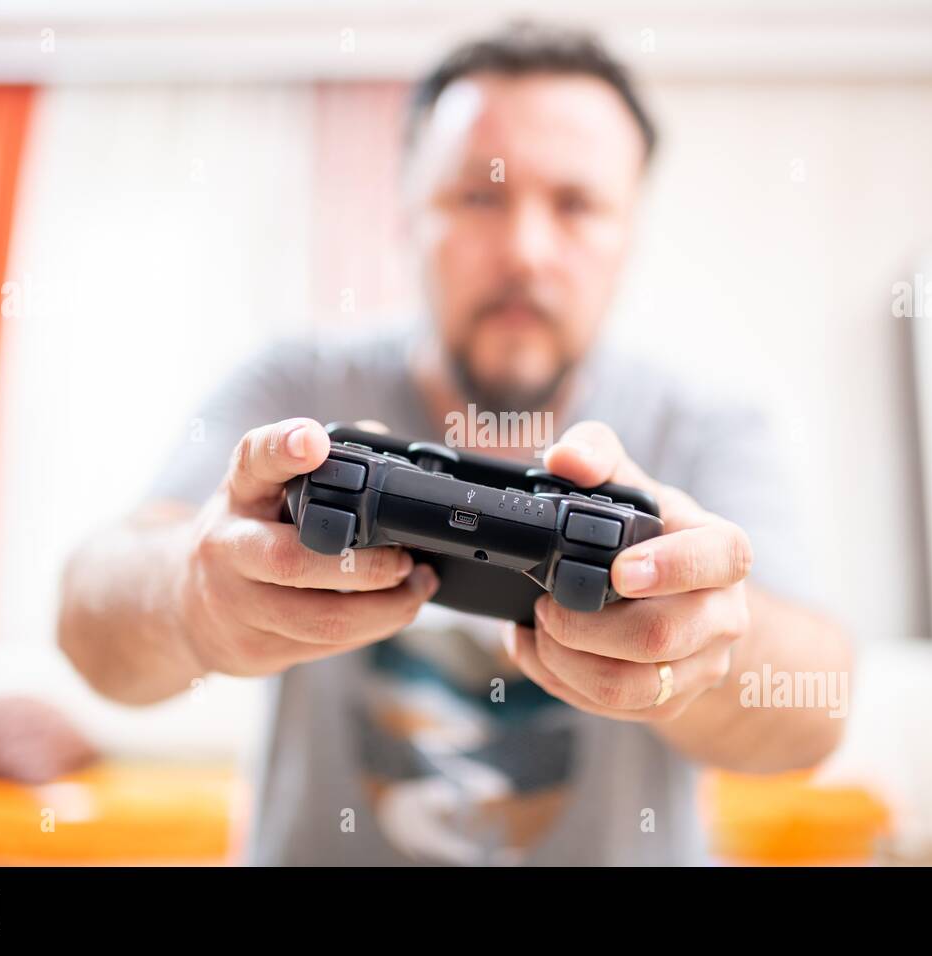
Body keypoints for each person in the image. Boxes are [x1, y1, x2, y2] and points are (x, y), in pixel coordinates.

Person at [59, 23, 852, 866]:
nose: (524, 251)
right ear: (407, 214)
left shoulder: (707, 423)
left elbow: (820, 710)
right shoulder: (291, 392)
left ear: (631, 236)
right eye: (480, 196)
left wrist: (710, 652)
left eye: (578, 205)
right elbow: (88, 625)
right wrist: (192, 595)